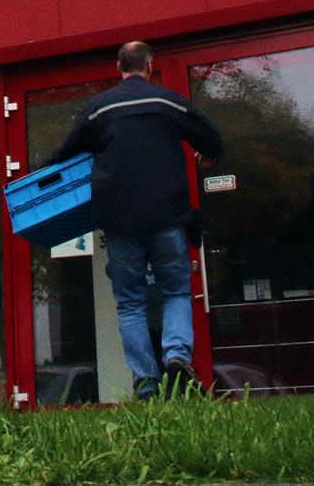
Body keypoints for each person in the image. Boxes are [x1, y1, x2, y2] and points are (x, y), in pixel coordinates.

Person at [48, 40, 223, 400]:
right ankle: (176, 356)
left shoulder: (98, 109)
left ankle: (146, 381)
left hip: (120, 222)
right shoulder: (168, 102)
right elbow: (211, 138)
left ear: (119, 67)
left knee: (130, 303)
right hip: (168, 217)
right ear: (150, 65)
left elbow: (66, 153)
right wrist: (208, 155)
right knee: (175, 290)